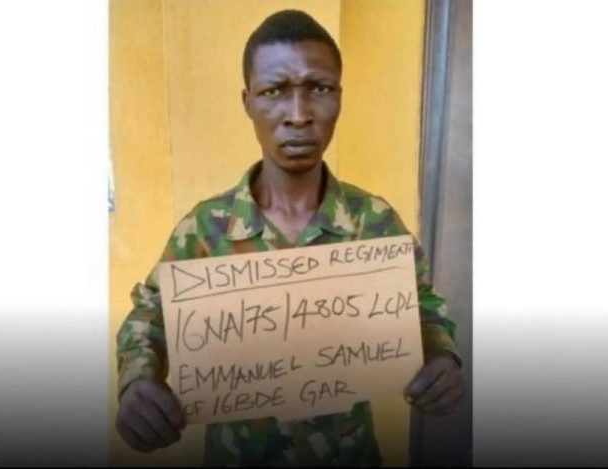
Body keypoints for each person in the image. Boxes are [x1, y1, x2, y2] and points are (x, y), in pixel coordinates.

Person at [115, 9, 464, 467]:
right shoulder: (204, 228)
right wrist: (137, 382)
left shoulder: (374, 221)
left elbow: (423, 307)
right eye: (274, 91)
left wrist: (442, 357)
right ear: (247, 101)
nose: (298, 115)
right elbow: (149, 317)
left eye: (319, 88)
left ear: (339, 97)